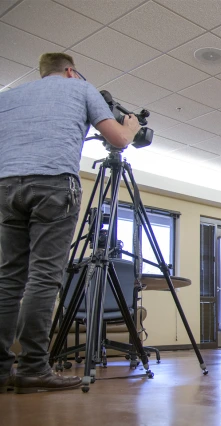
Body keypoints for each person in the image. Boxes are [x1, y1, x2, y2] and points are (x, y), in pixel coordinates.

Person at [0, 52, 141, 394]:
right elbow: (118, 140)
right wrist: (132, 126)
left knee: (7, 280)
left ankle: (1, 369)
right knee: (44, 277)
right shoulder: (80, 88)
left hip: (5, 187)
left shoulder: (8, 97)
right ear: (70, 71)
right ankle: (33, 368)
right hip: (53, 185)